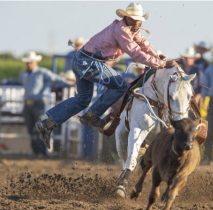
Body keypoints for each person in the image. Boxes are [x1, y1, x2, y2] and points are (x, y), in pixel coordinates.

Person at [35, 2, 175, 149]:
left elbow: (144, 44)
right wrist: (160, 64)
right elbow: (135, 52)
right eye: (133, 19)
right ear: (127, 18)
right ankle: (92, 115)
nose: (136, 22)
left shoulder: (128, 30)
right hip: (89, 62)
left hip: (82, 60)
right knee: (120, 85)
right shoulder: (122, 31)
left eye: (138, 19)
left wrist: (160, 58)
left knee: (82, 100)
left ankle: (47, 123)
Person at [19, 51, 70, 156]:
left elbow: (56, 78)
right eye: (27, 62)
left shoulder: (42, 72)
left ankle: (42, 152)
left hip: (39, 104)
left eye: (30, 62)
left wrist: (69, 83)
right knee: (31, 129)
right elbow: (17, 81)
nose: (28, 64)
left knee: (40, 128)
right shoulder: (24, 74)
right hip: (28, 104)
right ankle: (36, 151)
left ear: (35, 62)